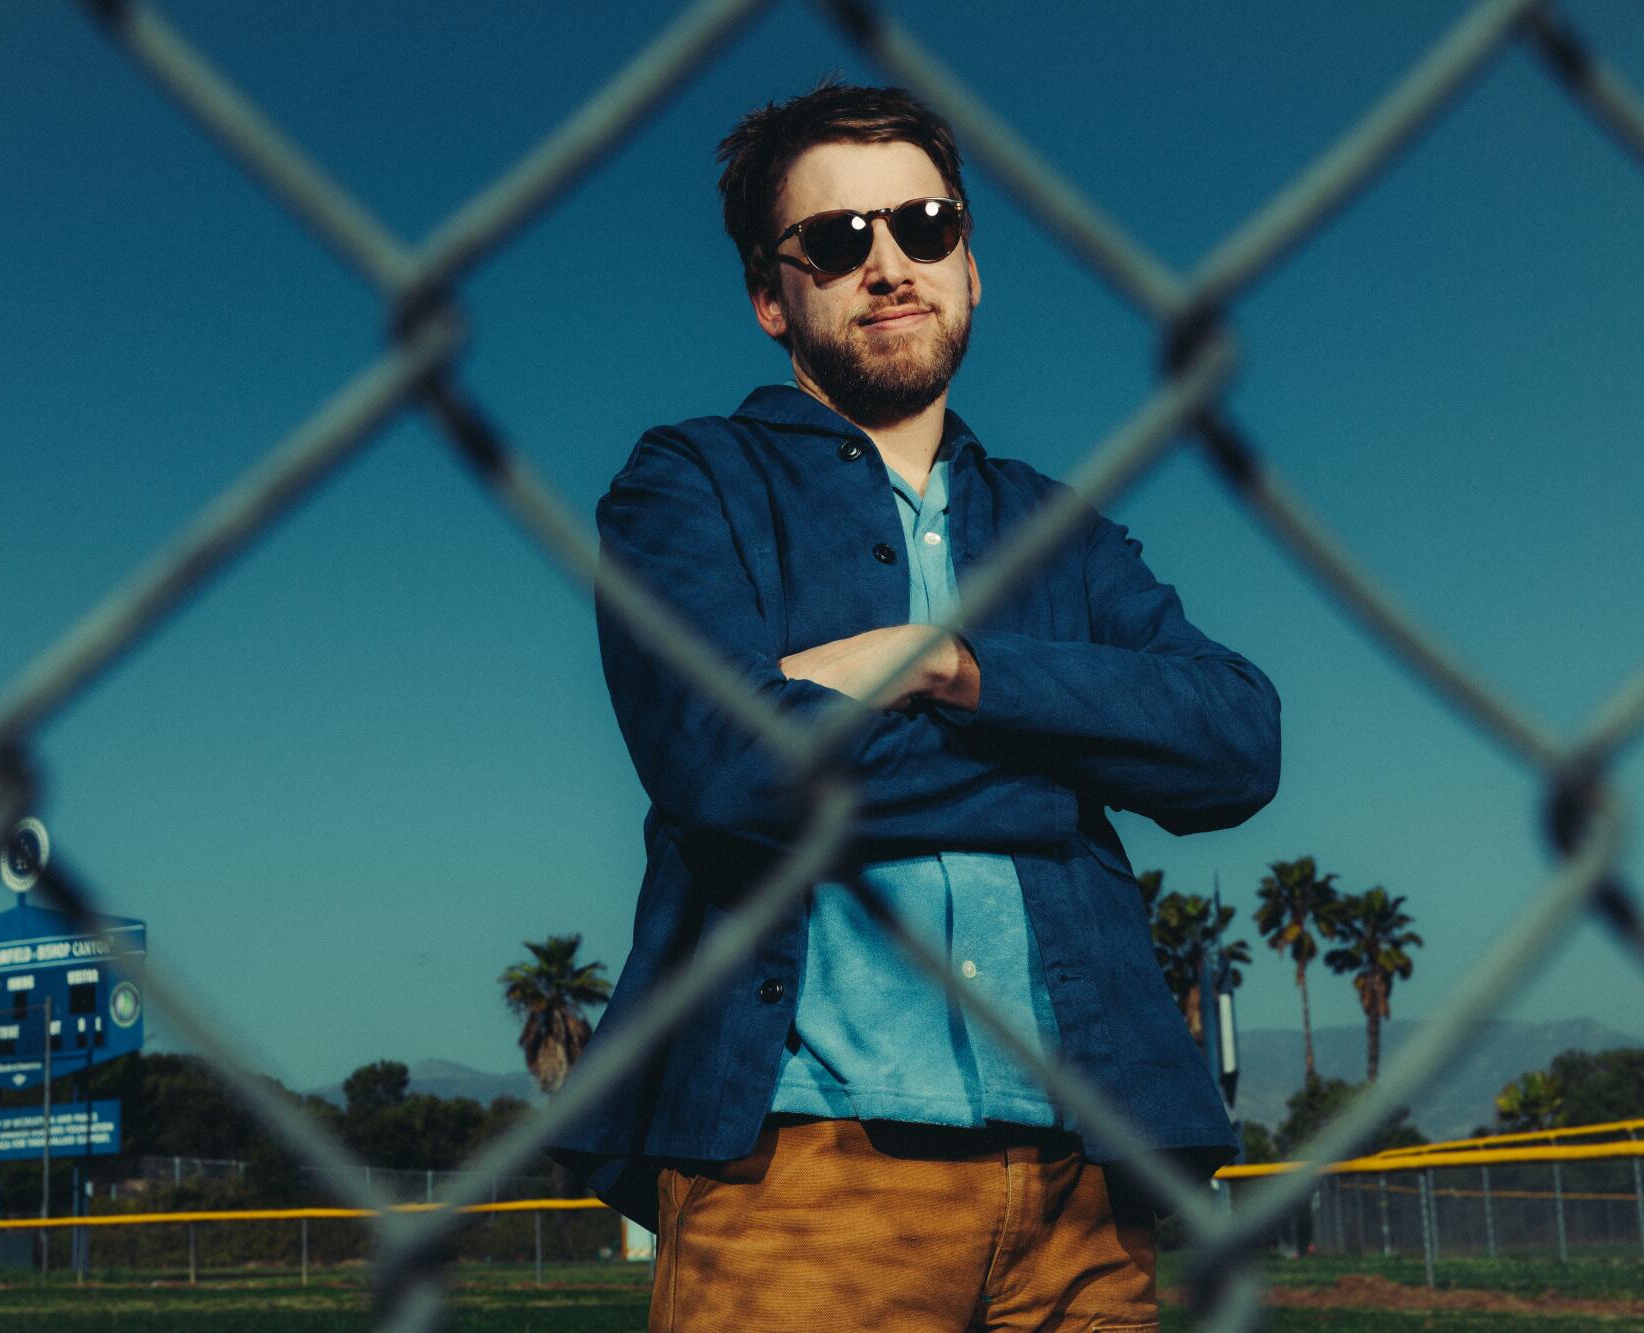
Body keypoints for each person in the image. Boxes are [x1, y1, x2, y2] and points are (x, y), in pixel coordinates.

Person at [548, 82, 1280, 1332]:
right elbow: (727, 771)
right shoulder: (690, 487)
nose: (887, 265)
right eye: (836, 241)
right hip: (800, 1176)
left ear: (971, 265)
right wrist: (1066, 771)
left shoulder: (1060, 531)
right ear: (771, 298)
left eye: (924, 225)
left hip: (1080, 1187)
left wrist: (952, 668)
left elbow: (1234, 737)